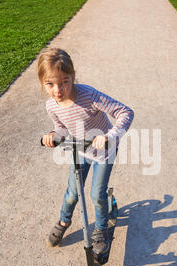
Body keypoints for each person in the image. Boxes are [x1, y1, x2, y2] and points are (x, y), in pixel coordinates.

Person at [38, 47, 134, 255]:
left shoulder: (89, 95)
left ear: (73, 77)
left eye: (64, 81)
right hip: (80, 151)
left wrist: (110, 136)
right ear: (43, 83)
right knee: (73, 192)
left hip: (104, 151)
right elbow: (62, 127)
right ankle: (64, 221)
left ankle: (100, 229)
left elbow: (125, 112)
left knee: (96, 194)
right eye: (50, 84)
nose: (58, 90)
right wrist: (53, 136)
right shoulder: (52, 106)